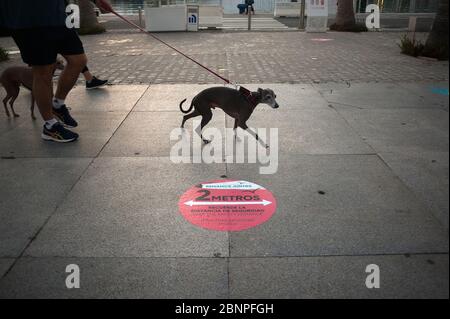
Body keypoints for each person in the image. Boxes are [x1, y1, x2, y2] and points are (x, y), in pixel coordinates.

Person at [0, 0, 113, 143]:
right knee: (43, 71)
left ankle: (57, 104)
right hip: (27, 20)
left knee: (79, 60)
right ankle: (50, 126)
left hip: (57, 16)